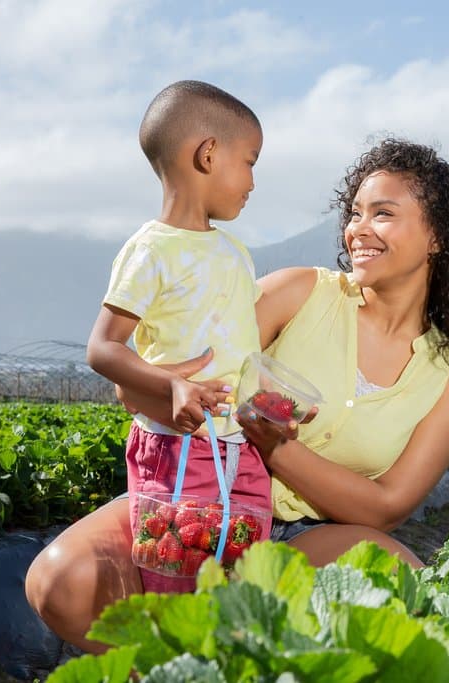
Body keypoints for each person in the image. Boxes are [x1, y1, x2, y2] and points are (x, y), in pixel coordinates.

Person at [25, 138, 449, 653]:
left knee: (406, 600)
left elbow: (387, 507)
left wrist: (276, 448)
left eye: (383, 214)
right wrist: (162, 388)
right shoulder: (300, 292)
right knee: (62, 581)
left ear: (437, 236)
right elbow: (147, 384)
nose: (358, 229)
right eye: (355, 213)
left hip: (309, 534)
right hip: (201, 497)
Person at [84, 80, 271, 595]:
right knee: (174, 581)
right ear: (208, 154)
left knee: (240, 582)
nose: (253, 181)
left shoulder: (235, 253)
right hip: (176, 449)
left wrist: (270, 404)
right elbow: (102, 347)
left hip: (239, 449)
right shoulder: (151, 251)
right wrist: (172, 384)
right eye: (250, 162)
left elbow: (239, 351)